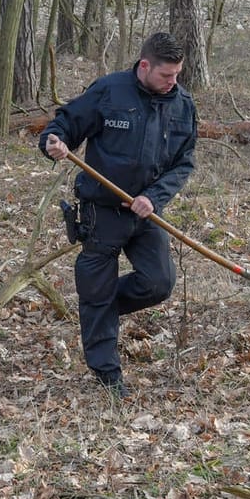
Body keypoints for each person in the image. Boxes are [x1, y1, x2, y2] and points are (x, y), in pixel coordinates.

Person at [40, 33, 197, 400]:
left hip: (146, 215)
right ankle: (109, 378)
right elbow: (64, 125)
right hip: (101, 210)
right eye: (166, 76)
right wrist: (53, 142)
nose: (172, 82)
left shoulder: (182, 105)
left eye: (177, 75)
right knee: (95, 292)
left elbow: (183, 162)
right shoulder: (110, 92)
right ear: (144, 66)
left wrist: (154, 198)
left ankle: (100, 311)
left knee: (159, 282)